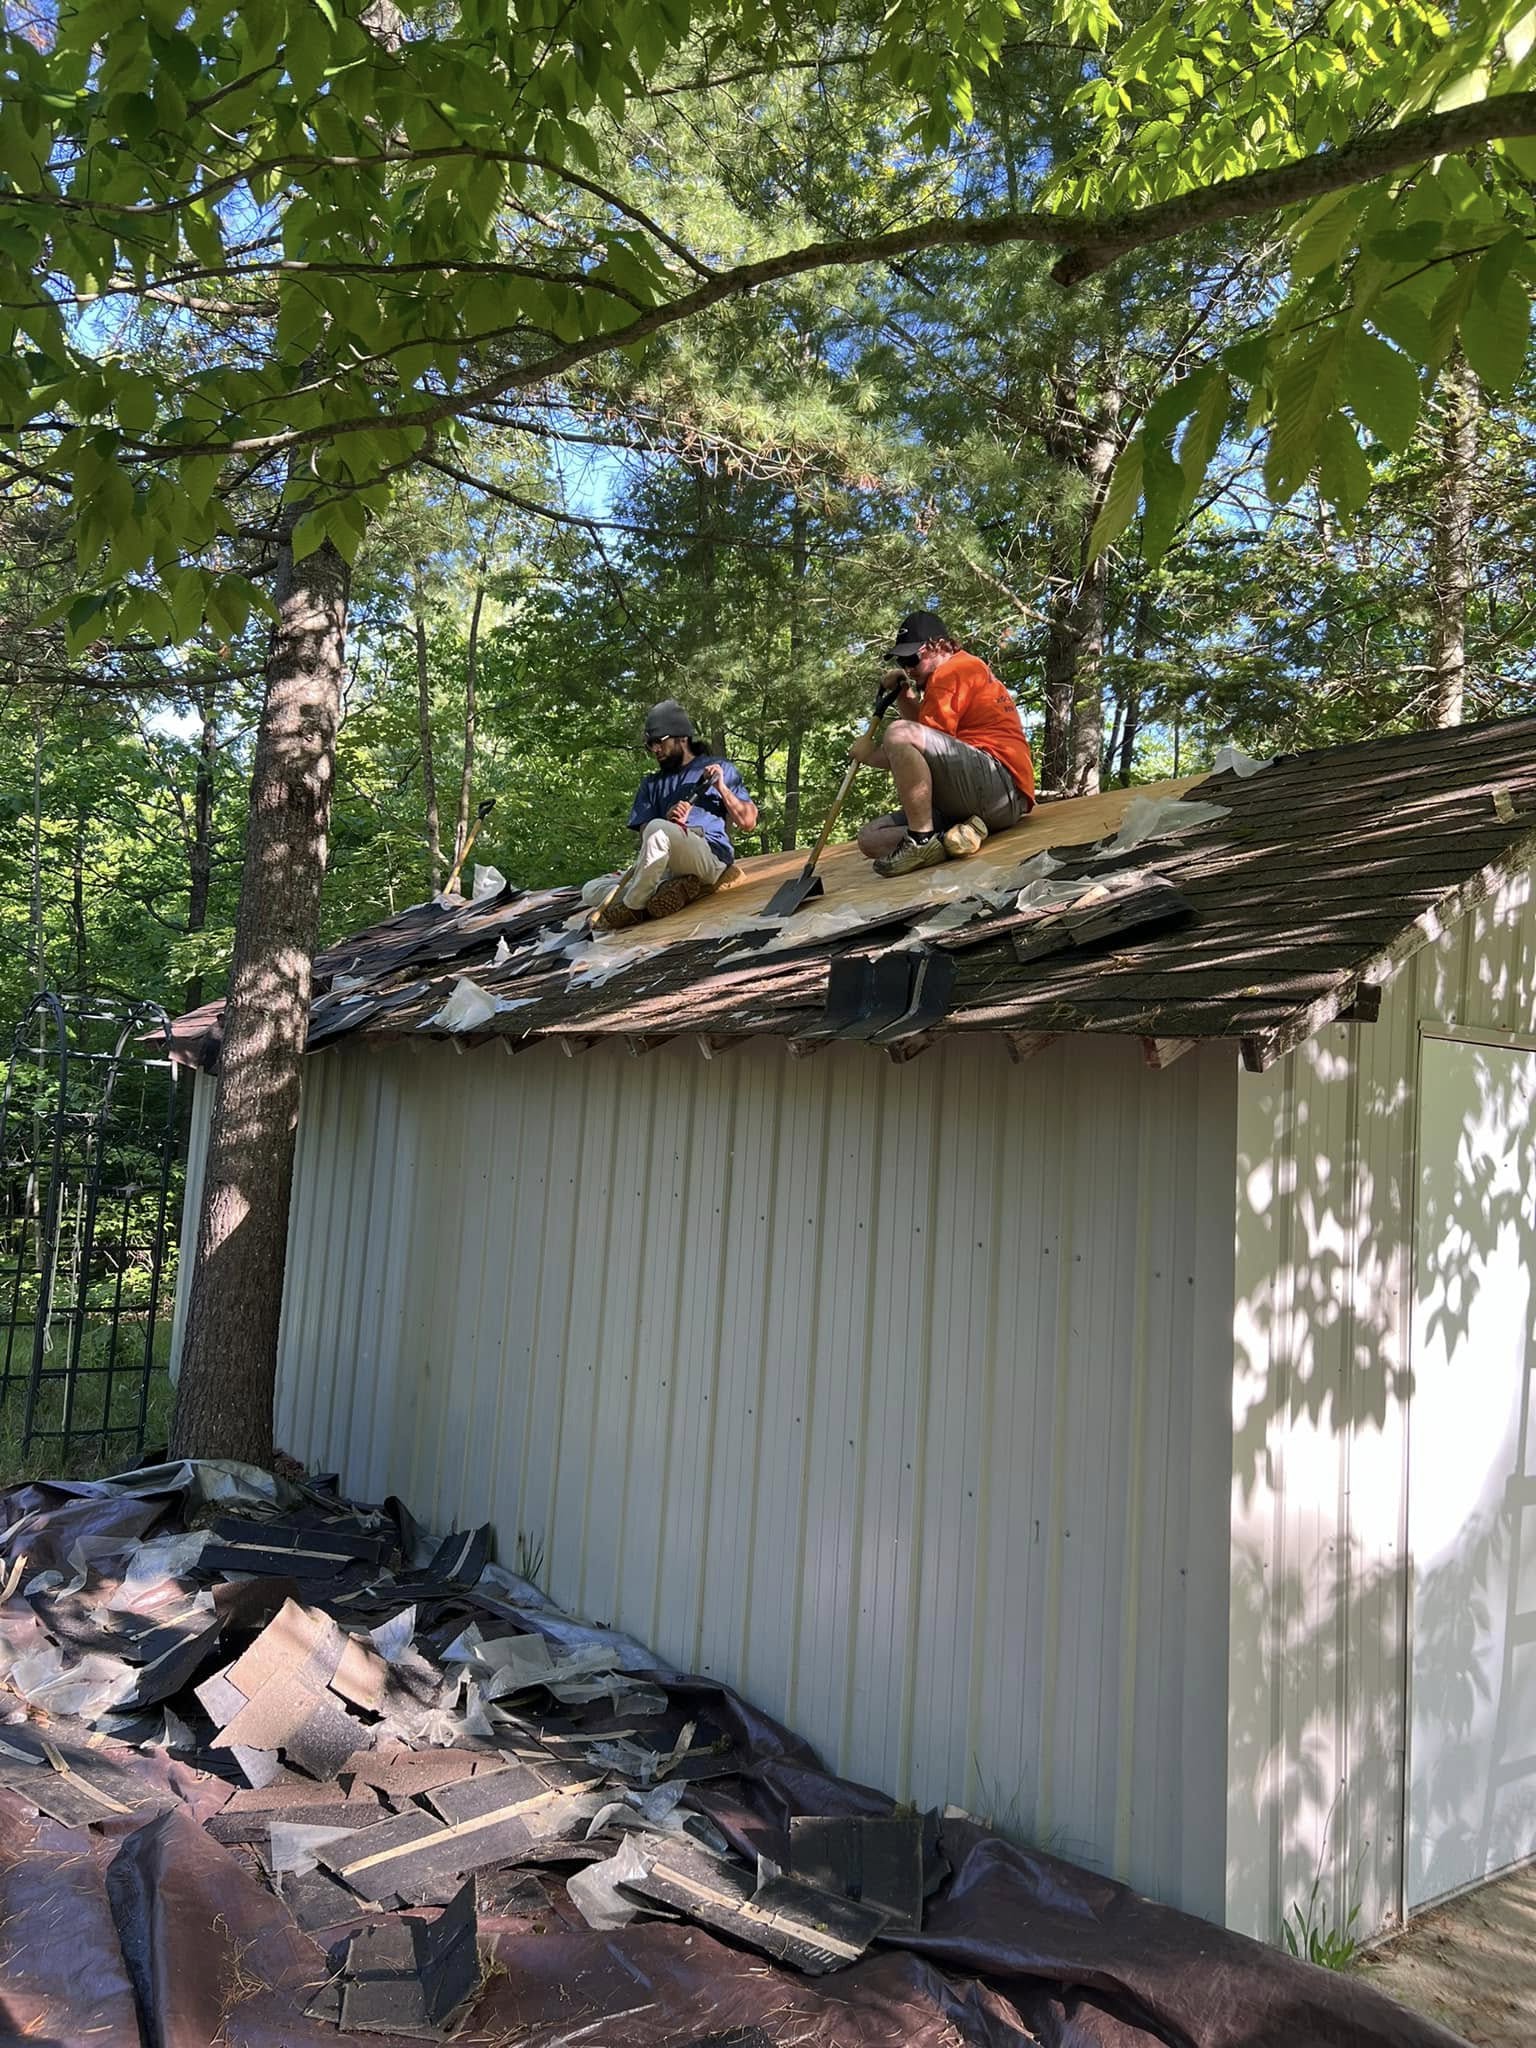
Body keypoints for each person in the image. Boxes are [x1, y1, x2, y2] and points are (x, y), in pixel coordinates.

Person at [854, 609, 1035, 876]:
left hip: (999, 786)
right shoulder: (956, 671)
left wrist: (869, 755)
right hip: (978, 798)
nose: (908, 668)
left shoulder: (953, 671)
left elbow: (912, 741)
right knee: (871, 838)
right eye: (902, 662)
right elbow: (925, 741)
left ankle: (922, 841)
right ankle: (957, 837)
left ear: (937, 646)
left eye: (912, 659)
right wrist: (904, 694)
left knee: (897, 732)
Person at [596, 700, 758, 928]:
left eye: (659, 742)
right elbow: (646, 835)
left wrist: (721, 787)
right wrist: (668, 821)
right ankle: (671, 890)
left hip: (707, 856)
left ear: (682, 737)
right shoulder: (651, 784)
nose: (655, 750)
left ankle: (634, 907)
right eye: (650, 745)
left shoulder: (719, 768)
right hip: (665, 866)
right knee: (591, 890)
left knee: (657, 829)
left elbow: (748, 822)